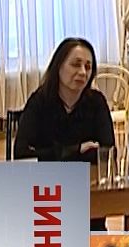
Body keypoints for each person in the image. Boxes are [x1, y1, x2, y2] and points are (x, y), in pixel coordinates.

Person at [14, 38, 115, 231]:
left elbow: (107, 151)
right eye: (76, 64)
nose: (83, 72)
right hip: (46, 192)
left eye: (88, 67)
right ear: (58, 66)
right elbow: (21, 153)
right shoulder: (39, 101)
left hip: (88, 191)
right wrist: (76, 150)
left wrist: (51, 155)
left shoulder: (96, 102)